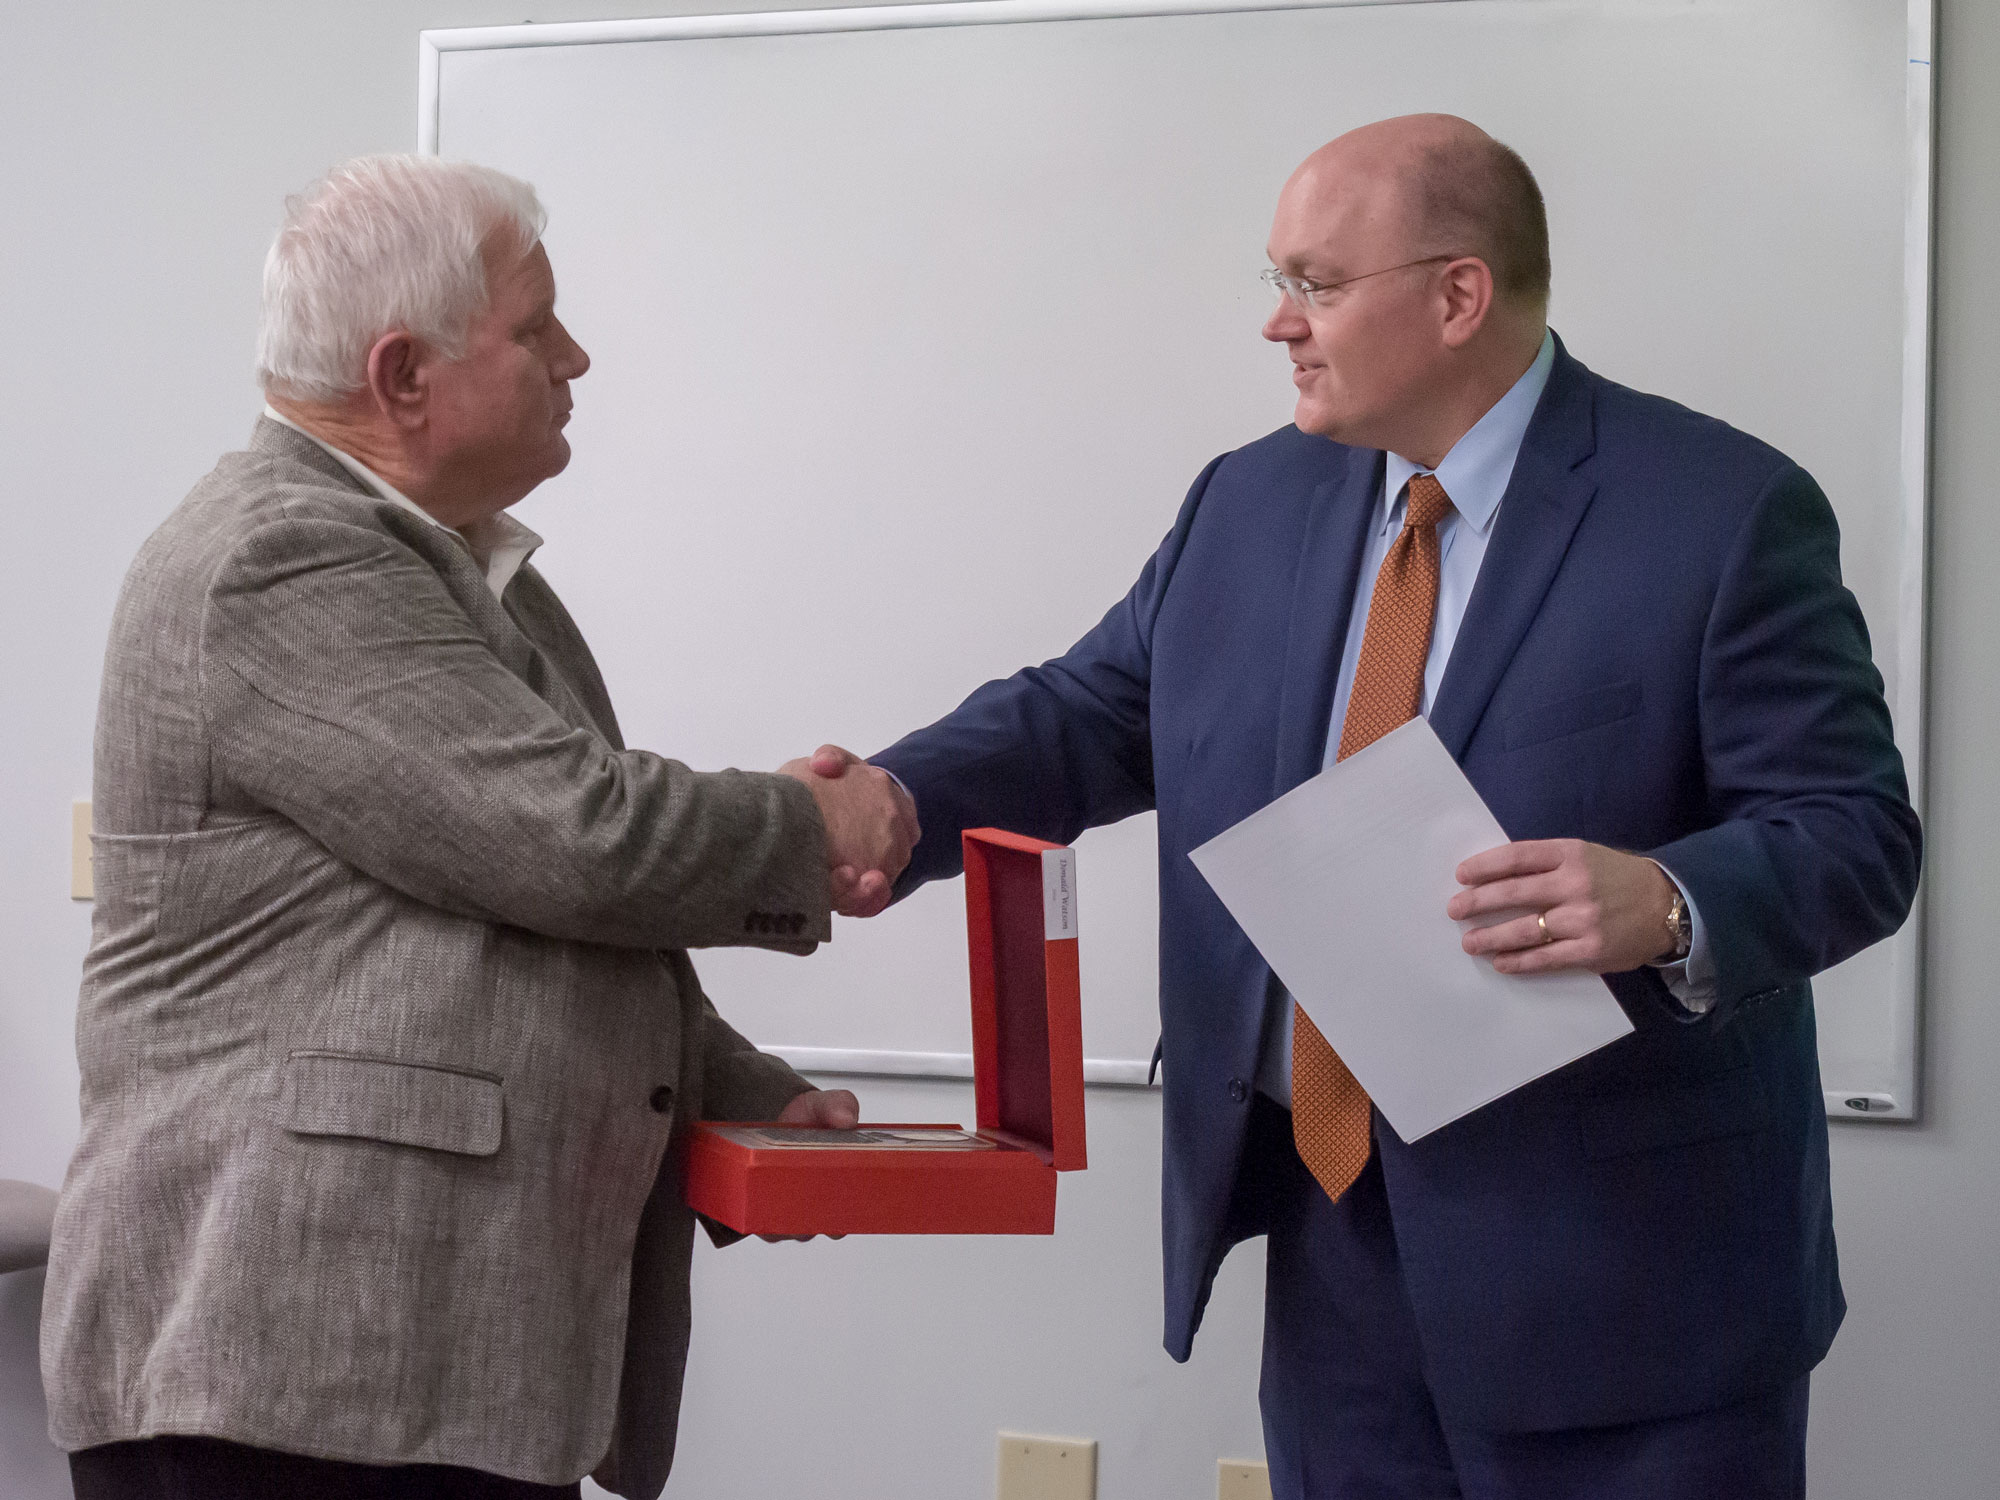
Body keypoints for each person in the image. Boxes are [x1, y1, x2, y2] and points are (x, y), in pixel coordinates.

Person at [812, 114, 1921, 1497]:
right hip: (1332, 1246)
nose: (1280, 325)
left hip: (1632, 1285)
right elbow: (1093, 712)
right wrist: (894, 799)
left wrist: (1670, 901)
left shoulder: (1722, 510)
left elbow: (1855, 831)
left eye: (1316, 285)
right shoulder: (1247, 501)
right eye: (1275, 281)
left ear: (1458, 296)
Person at [42, 154, 916, 1500]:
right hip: (292, 1373)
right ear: (403, 375)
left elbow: (533, 910)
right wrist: (812, 824)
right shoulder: (281, 559)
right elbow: (576, 840)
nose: (577, 356)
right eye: (534, 327)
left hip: (414, 1371)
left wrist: (746, 1093)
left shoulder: (460, 570)